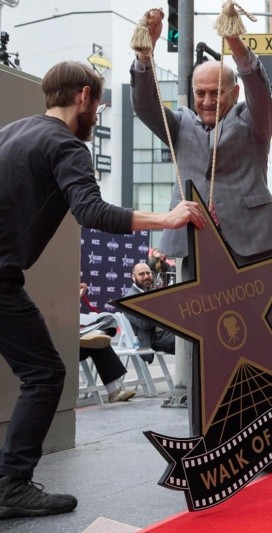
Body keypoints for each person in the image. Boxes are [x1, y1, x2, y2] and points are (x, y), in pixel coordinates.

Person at [0, 60, 205, 517]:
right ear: (84, 98)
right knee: (46, 374)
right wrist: (167, 218)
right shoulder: (67, 145)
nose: (100, 110)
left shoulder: (11, 133)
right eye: (100, 100)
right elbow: (92, 212)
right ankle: (12, 484)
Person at [130, 9, 272, 475]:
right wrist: (144, 55)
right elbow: (145, 106)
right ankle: (207, 442)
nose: (207, 100)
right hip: (196, 250)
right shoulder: (179, 125)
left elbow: (261, 90)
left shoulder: (253, 122)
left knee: (263, 346)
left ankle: (271, 445)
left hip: (253, 247)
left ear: (231, 92)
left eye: (215, 92)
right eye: (200, 93)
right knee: (206, 349)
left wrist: (240, 48)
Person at [78, 283, 135, 403]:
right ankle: (113, 392)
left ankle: (97, 333)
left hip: (81, 339)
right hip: (65, 345)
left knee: (108, 319)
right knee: (98, 344)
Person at [124, 263, 176, 355]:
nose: (146, 276)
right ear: (133, 277)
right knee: (191, 341)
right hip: (154, 338)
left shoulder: (152, 293)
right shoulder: (129, 299)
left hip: (168, 331)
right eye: (141, 274)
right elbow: (144, 324)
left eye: (148, 273)